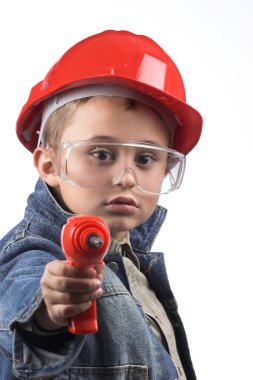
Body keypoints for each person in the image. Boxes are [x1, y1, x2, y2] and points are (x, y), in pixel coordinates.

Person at [0, 30, 202, 380]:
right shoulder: (39, 254)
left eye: (145, 159)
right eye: (102, 153)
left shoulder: (130, 259)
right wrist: (49, 312)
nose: (126, 177)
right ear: (50, 165)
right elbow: (26, 301)